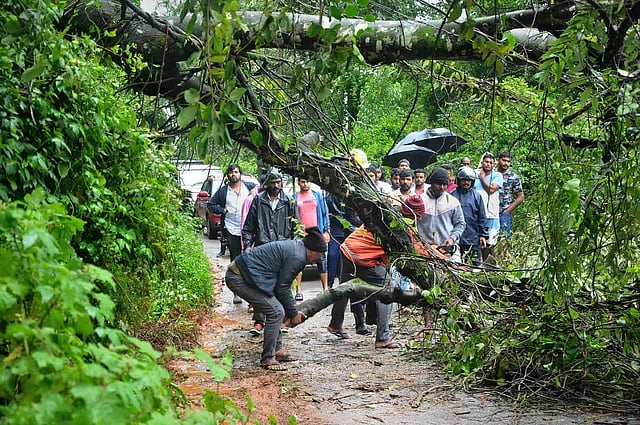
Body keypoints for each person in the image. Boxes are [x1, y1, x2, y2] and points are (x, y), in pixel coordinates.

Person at [225, 227, 327, 370]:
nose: (321, 258)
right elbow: (282, 287)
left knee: (277, 307)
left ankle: (277, 350)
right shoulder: (297, 257)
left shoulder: (298, 249)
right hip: (238, 277)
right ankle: (268, 358)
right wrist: (293, 313)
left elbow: (281, 287)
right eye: (321, 254)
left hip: (247, 275)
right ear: (313, 251)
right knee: (276, 311)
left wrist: (292, 309)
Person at [242, 168, 298, 335]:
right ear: (267, 183)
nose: (275, 186)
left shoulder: (288, 201)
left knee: (283, 284)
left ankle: (283, 320)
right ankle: (259, 321)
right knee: (261, 285)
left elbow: (296, 227)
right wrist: (247, 247)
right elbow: (248, 227)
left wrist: (294, 248)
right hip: (263, 249)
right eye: (272, 183)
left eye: (278, 183)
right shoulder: (258, 200)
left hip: (283, 248)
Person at [208, 165, 257, 303]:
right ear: (228, 175)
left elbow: (261, 193)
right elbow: (211, 204)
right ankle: (237, 292)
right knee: (235, 260)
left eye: (236, 172)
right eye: (230, 172)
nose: (233, 174)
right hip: (231, 229)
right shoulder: (223, 191)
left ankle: (252, 292)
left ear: (240, 174)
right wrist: (222, 211)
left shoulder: (249, 187)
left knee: (250, 258)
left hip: (248, 230)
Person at [417, 167, 466, 262]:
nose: (442, 187)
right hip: (425, 250)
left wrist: (452, 238)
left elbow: (460, 224)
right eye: (438, 184)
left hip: (448, 250)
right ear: (431, 183)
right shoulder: (419, 201)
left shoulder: (453, 202)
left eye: (444, 184)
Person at [293, 174, 331, 295]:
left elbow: (325, 213)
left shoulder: (317, 196)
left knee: (322, 259)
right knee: (299, 260)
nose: (305, 184)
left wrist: (326, 230)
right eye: (303, 181)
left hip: (317, 232)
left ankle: (325, 288)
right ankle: (298, 290)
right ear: (299, 183)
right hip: (301, 233)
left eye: (308, 182)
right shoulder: (294, 197)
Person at [451, 167, 488, 265]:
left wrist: (483, 235)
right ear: (458, 180)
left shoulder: (476, 196)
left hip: (473, 237)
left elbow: (482, 217)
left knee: (474, 264)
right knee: (456, 265)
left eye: (468, 180)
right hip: (455, 237)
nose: (466, 183)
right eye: (463, 180)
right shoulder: (451, 196)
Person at [326, 194, 361, 290]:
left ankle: (343, 283)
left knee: (347, 260)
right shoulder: (331, 198)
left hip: (351, 231)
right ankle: (329, 284)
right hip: (337, 231)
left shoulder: (353, 196)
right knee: (332, 256)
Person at [474, 153, 503, 261]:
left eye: (491, 163)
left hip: (491, 214)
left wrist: (482, 178)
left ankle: (492, 266)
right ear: (482, 162)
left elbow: (491, 189)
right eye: (486, 162)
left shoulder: (497, 176)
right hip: (478, 215)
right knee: (481, 243)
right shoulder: (475, 175)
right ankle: (483, 266)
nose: (488, 164)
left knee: (490, 243)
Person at [496, 152, 524, 239]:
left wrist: (508, 210)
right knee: (488, 240)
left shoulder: (513, 177)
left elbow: (521, 197)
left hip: (504, 212)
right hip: (490, 212)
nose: (506, 163)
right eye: (503, 160)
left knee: (504, 240)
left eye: (508, 161)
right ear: (498, 160)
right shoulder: (491, 174)